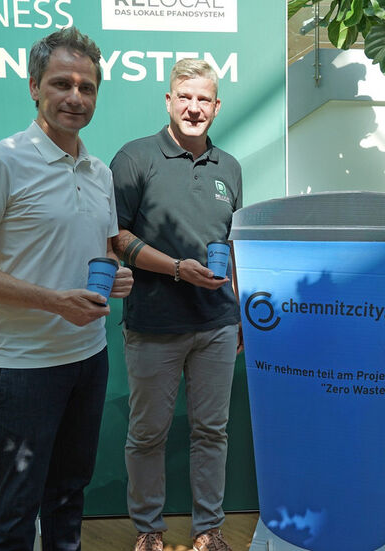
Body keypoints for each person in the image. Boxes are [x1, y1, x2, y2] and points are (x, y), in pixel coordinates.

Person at [0, 27, 134, 551]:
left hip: (89, 359)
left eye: (87, 87)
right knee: (15, 507)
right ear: (34, 87)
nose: (75, 97)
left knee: (70, 494)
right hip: (22, 367)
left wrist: (115, 272)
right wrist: (52, 301)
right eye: (61, 83)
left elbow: (103, 247)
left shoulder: (98, 172)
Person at [110, 58, 242, 551]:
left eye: (203, 98)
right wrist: (176, 268)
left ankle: (208, 529)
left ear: (216, 105)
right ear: (168, 100)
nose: (193, 107)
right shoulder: (134, 157)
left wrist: (241, 317)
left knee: (212, 431)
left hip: (217, 324)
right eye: (184, 97)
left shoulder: (229, 167)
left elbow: (234, 246)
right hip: (153, 325)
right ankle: (149, 530)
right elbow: (115, 236)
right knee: (147, 434)